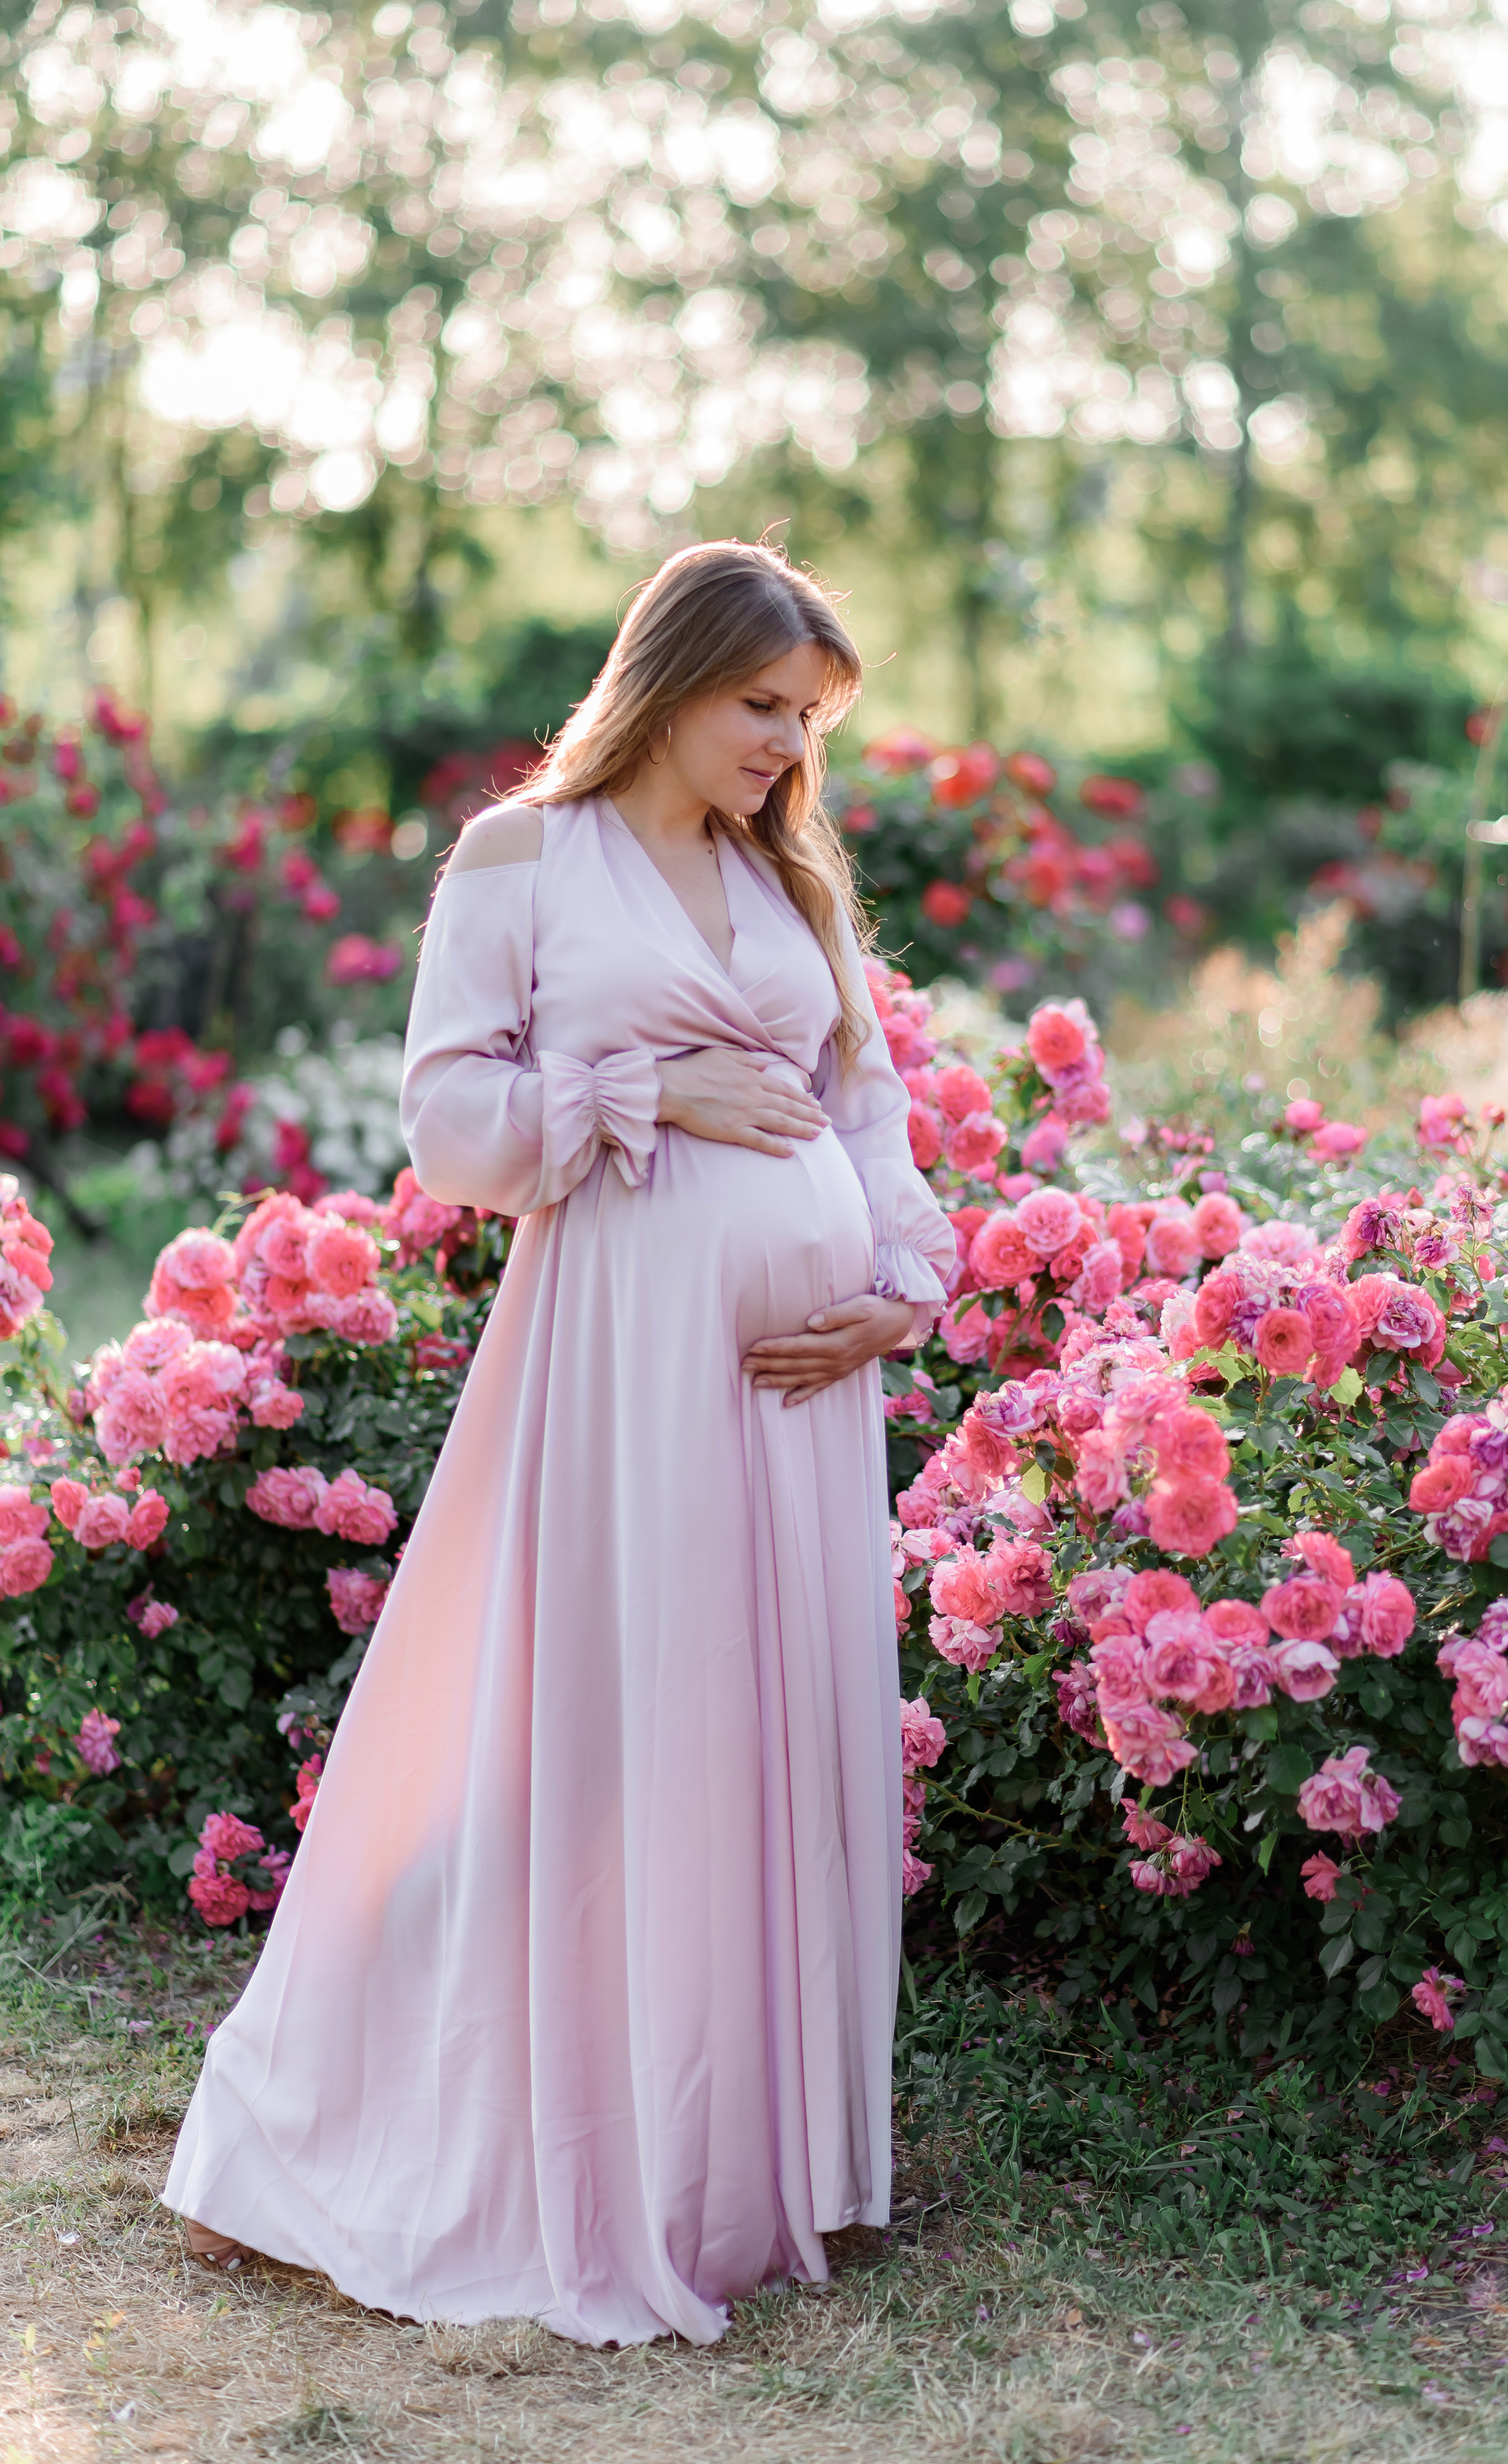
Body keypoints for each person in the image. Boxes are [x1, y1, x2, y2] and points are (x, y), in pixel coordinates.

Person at [164, 539, 955, 2345]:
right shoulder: (522, 858)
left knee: (761, 1735)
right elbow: (451, 1126)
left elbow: (868, 1105)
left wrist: (896, 1290)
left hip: (803, 1390)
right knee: (591, 1726)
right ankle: (386, 2129)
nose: (783, 742)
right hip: (625, 1363)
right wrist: (639, 1089)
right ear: (672, 675)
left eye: (807, 716)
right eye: (762, 703)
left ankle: (724, 2168)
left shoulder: (790, 880)